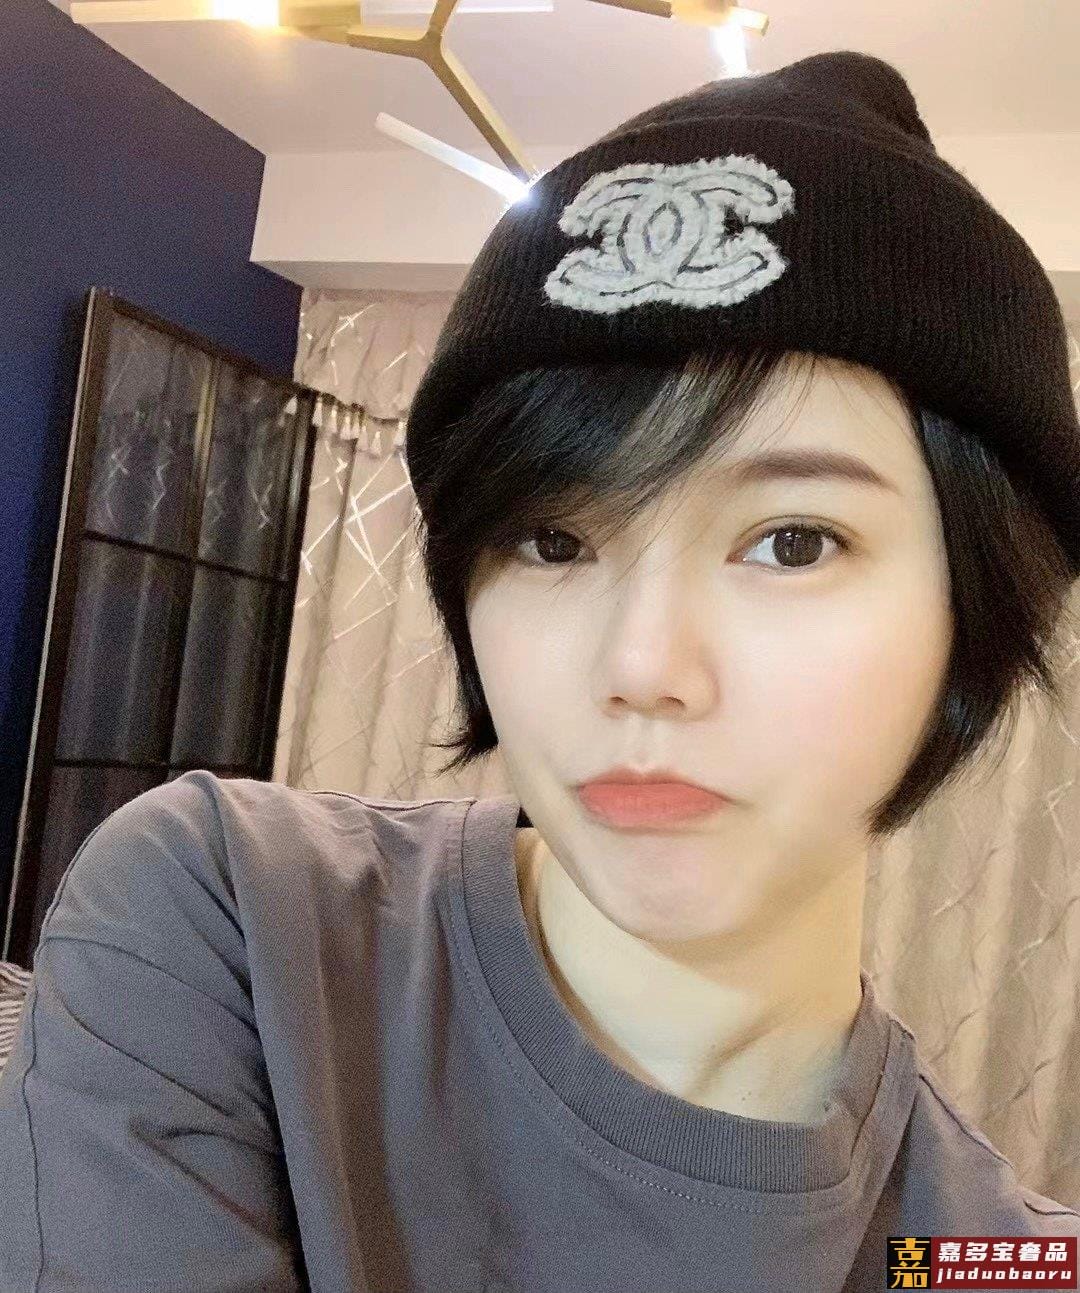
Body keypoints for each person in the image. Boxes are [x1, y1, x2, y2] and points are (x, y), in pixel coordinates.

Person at [1, 48, 1079, 1293]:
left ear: (974, 609)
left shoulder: (992, 1260)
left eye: (792, 541)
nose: (642, 667)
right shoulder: (236, 919)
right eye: (554, 541)